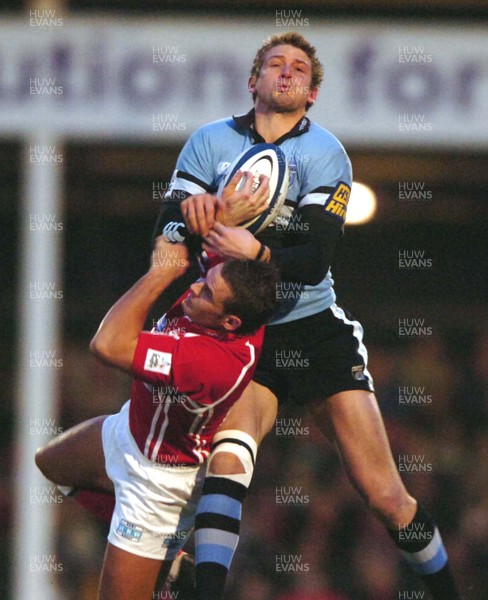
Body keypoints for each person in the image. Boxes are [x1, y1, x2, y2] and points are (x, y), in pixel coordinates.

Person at [154, 32, 462, 600]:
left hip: (315, 330)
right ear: (254, 81)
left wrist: (258, 250)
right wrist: (191, 220)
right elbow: (169, 237)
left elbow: (315, 256)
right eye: (276, 64)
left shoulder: (325, 154)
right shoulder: (207, 143)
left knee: (385, 496)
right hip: (247, 334)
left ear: (313, 93)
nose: (287, 73)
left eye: (300, 69)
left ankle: (448, 591)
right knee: (228, 466)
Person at [35, 235, 281, 600]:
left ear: (230, 322)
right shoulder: (235, 295)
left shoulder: (207, 363)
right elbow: (194, 235)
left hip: (156, 483)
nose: (196, 287)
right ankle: (171, 557)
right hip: (130, 429)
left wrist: (159, 274)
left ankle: (157, 548)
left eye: (207, 292)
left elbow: (107, 345)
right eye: (206, 279)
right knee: (49, 463)